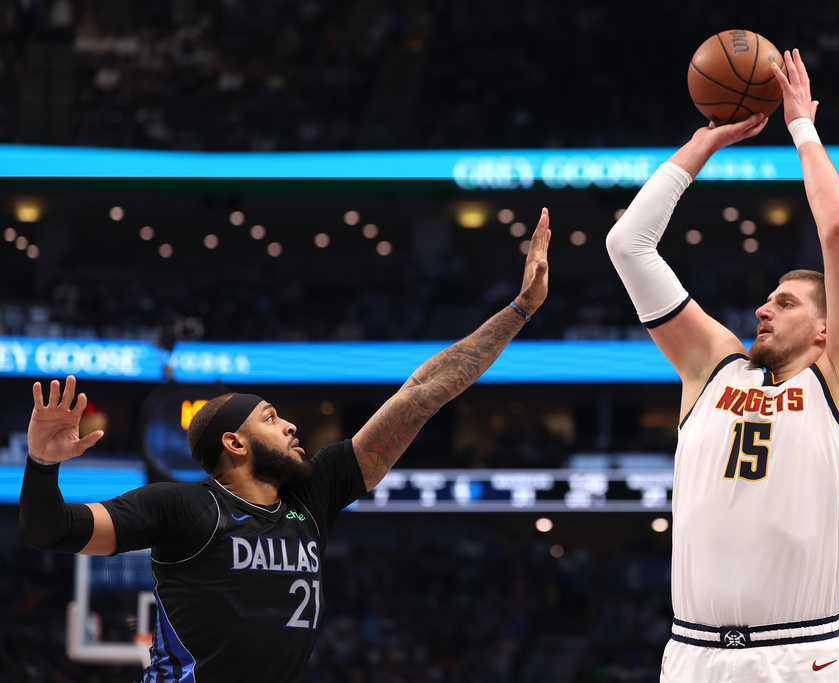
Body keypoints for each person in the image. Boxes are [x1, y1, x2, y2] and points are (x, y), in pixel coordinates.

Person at [18, 209, 550, 682]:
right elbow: (50, 530)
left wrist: (520, 310)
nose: (293, 426)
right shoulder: (184, 507)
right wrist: (42, 462)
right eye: (271, 418)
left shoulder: (312, 497)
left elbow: (419, 395)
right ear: (235, 442)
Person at [606, 49, 839, 683]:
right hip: (690, 655)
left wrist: (801, 127)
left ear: (826, 329)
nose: (763, 308)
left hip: (800, 654)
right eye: (766, 298)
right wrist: (704, 142)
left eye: (784, 302)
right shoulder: (714, 370)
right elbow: (627, 244)